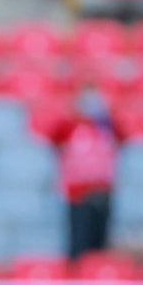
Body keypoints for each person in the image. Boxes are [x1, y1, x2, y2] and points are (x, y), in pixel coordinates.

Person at [55, 80, 121, 259]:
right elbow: (53, 135)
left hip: (102, 194)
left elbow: (123, 136)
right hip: (78, 196)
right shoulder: (70, 126)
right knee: (79, 244)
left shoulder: (106, 126)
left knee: (100, 246)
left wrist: (105, 115)